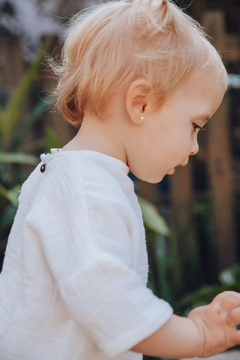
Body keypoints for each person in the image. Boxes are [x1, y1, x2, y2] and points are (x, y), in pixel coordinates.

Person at [0, 0, 240, 359]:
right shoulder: (86, 188)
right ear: (140, 103)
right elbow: (110, 298)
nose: (194, 148)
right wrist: (197, 334)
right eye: (194, 126)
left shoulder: (81, 178)